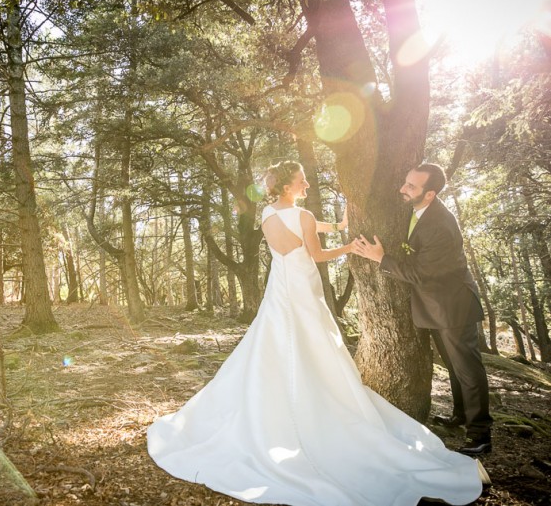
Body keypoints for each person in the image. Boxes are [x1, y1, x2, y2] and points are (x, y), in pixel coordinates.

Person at [147, 160, 486, 506]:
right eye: (302, 181)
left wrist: (336, 224)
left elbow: (301, 225)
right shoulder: (303, 216)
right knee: (314, 342)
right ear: (288, 186)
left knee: (274, 342)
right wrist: (353, 248)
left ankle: (275, 401)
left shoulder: (269, 213)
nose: (307, 185)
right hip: (306, 289)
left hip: (281, 289)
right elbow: (318, 253)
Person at [352, 163, 493, 456]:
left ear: (429, 194)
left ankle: (480, 435)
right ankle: (460, 415)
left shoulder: (440, 225)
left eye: (411, 187)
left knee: (467, 369)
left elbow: (422, 273)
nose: (403, 189)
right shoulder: (418, 209)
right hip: (435, 305)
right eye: (405, 182)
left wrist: (382, 259)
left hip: (452, 306)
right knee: (454, 366)